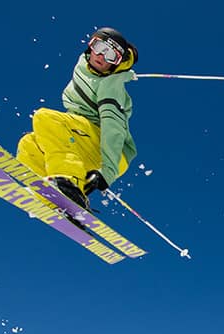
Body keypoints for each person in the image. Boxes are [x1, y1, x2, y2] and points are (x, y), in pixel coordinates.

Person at [16, 27, 139, 212]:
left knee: (44, 118)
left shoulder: (110, 86)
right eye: (100, 48)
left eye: (111, 56)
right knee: (29, 144)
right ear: (90, 46)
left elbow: (114, 129)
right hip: (84, 141)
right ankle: (55, 199)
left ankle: (67, 183)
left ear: (116, 64)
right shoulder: (85, 68)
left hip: (111, 151)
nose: (102, 57)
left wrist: (108, 171)